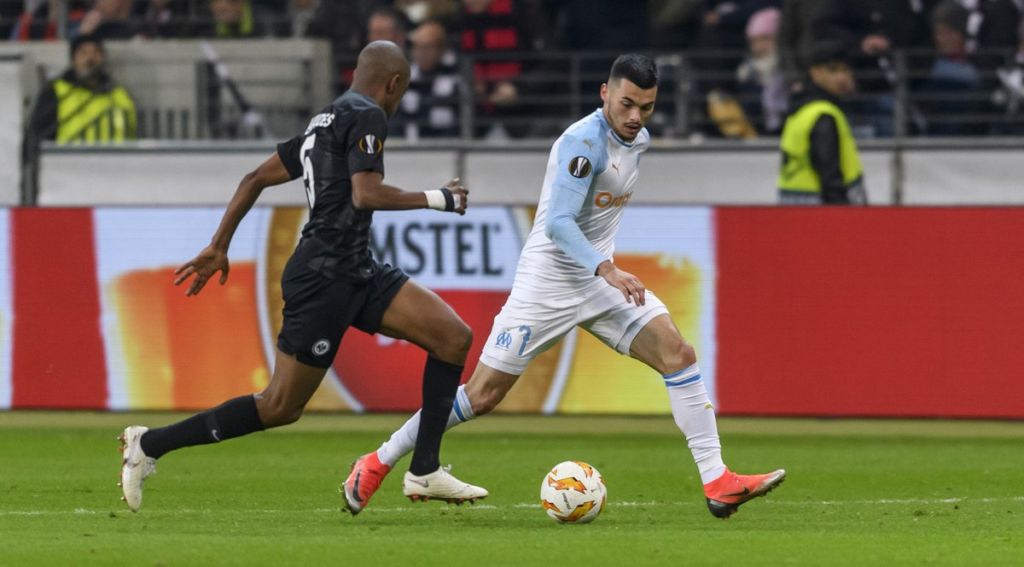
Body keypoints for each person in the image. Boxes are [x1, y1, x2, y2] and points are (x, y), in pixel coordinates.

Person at [342, 53, 786, 519]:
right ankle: (377, 461)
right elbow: (557, 223)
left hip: (597, 281)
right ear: (604, 93)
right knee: (483, 394)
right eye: (627, 104)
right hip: (548, 283)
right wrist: (606, 269)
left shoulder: (638, 140)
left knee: (678, 354)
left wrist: (603, 271)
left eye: (647, 107)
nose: (636, 117)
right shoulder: (582, 143)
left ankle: (718, 480)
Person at [118, 41, 487, 514]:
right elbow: (365, 194)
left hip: (357, 269)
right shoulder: (369, 116)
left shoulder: (323, 122)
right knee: (279, 406)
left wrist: (219, 244)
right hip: (322, 279)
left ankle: (425, 469)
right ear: (393, 84)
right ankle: (149, 444)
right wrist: (439, 198)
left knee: (452, 337)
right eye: (401, 92)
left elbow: (254, 178)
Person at [777, 42, 866, 205]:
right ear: (815, 73)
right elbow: (830, 177)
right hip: (821, 211)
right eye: (833, 70)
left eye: (846, 70)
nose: (842, 77)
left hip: (793, 206)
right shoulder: (824, 114)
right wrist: (843, 212)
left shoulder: (800, 110)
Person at [24, 34, 137, 147]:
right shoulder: (56, 91)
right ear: (73, 59)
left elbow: (131, 137)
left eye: (96, 52)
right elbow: (37, 135)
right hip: (67, 157)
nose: (90, 58)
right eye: (83, 53)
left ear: (103, 58)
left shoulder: (119, 95)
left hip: (112, 157)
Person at [395, 19, 460, 139]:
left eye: (427, 47)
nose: (421, 53)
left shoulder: (456, 79)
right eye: (417, 47)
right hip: (409, 145)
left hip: (445, 144)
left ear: (442, 49)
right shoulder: (404, 78)